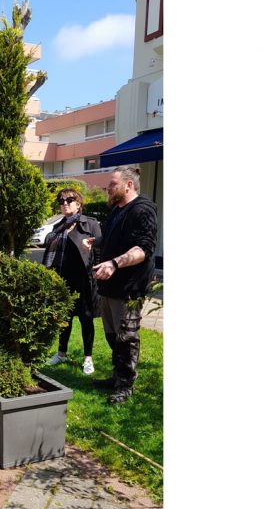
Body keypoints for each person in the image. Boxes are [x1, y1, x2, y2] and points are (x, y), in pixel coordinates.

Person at [84, 166, 158, 404]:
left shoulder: (142, 210)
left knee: (126, 338)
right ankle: (118, 376)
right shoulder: (117, 209)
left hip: (129, 288)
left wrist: (115, 263)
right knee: (112, 335)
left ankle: (125, 385)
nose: (108, 188)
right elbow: (114, 238)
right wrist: (98, 241)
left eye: (113, 184)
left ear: (129, 185)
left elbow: (143, 248)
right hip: (109, 286)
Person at [42, 188, 102, 375]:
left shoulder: (90, 224)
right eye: (61, 201)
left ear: (78, 203)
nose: (64, 204)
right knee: (64, 319)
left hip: (84, 280)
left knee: (86, 319)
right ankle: (61, 353)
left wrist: (98, 273)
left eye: (69, 200)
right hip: (63, 280)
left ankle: (88, 358)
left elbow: (100, 250)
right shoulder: (59, 227)